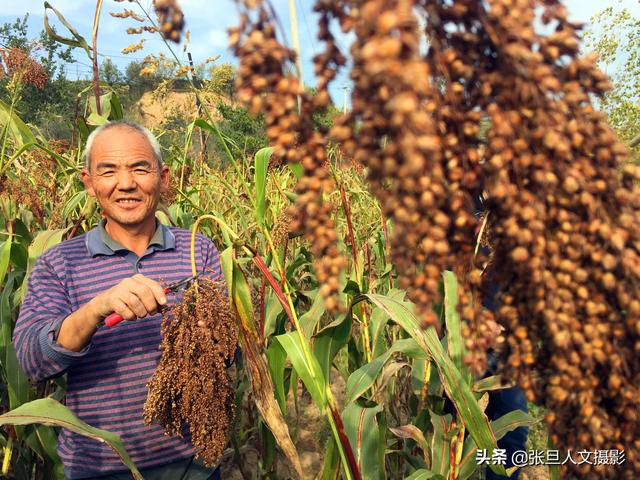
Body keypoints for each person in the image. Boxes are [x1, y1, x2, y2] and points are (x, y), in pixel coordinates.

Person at [13, 120, 225, 479]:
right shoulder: (59, 262)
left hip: (191, 463)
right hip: (98, 464)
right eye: (108, 171)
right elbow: (32, 362)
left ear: (164, 178)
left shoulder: (197, 250)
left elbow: (227, 355)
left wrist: (210, 334)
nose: (126, 184)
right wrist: (97, 308)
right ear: (89, 184)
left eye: (140, 168)